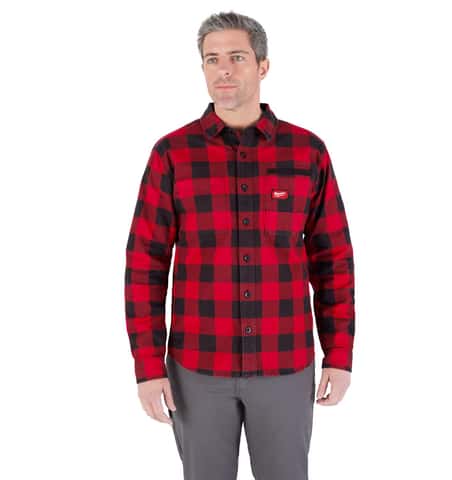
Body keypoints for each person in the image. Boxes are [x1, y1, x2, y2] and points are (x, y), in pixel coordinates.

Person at [124, 10, 355, 480]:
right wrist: (148, 366)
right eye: (212, 60)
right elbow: (145, 264)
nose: (223, 70)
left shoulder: (308, 152)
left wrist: (339, 353)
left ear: (263, 66)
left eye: (236, 57)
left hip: (285, 365)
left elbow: (333, 260)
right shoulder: (172, 154)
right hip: (197, 369)